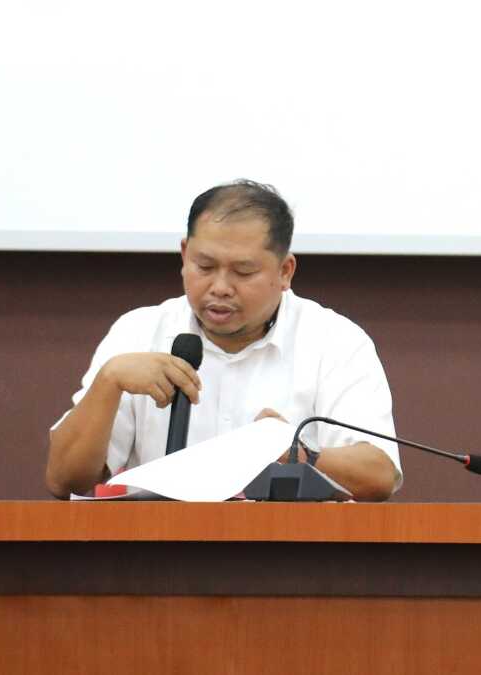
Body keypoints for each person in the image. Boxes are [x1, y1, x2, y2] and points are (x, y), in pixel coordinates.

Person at [45, 180, 401, 501]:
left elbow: (379, 474)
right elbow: (63, 480)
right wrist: (108, 383)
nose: (220, 287)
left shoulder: (334, 342)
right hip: (155, 559)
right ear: (184, 255)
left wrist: (300, 455)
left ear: (285, 271)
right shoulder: (138, 332)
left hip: (286, 560)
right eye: (204, 266)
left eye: (243, 272)